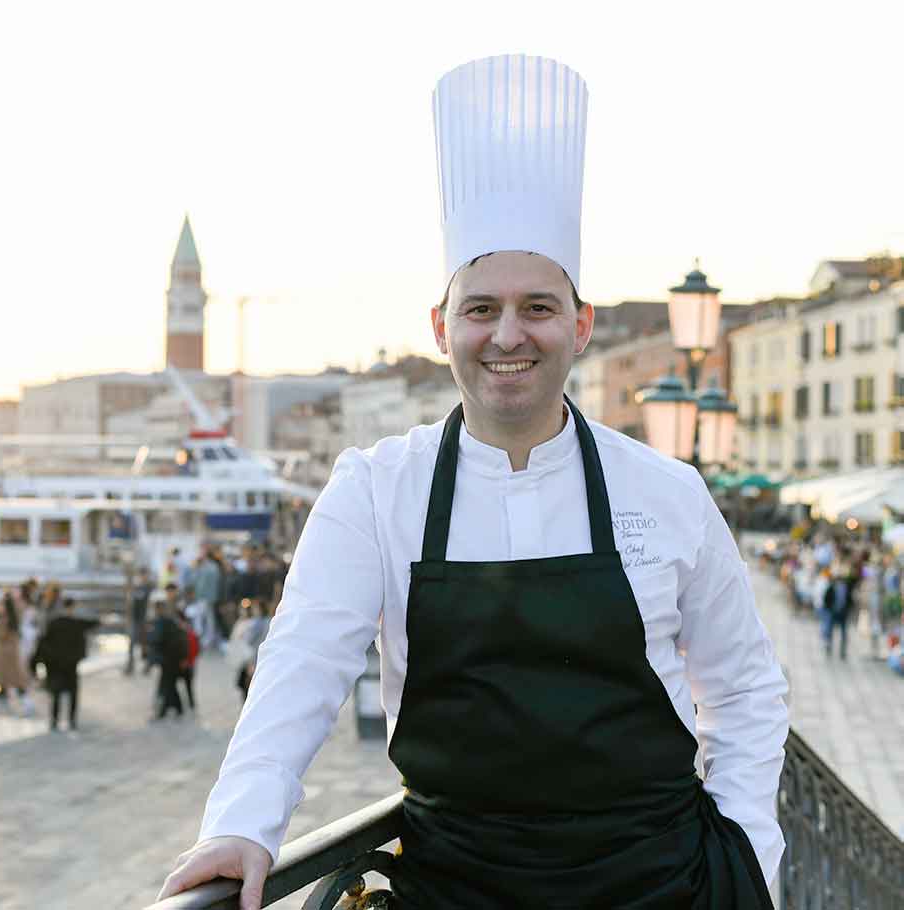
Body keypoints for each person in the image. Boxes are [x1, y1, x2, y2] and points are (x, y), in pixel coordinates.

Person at [159, 55, 788, 910]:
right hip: (458, 889)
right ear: (439, 325)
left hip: (663, 885)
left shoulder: (667, 491)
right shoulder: (374, 490)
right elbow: (302, 664)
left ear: (581, 325)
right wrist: (239, 824)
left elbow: (744, 686)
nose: (507, 335)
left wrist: (748, 850)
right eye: (480, 308)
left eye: (537, 307)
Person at [32, 597, 99, 731]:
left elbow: (44, 642)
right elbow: (95, 622)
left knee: (56, 693)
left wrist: (38, 661)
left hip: (56, 664)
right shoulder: (76, 623)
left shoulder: (54, 622)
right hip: (70, 664)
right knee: (72, 692)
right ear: (73, 607)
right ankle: (72, 720)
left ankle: (55, 720)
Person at [148, 585, 188, 720]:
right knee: (169, 684)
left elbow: (165, 640)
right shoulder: (164, 621)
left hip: (170, 658)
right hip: (169, 658)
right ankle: (176, 708)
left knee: (167, 685)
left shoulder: (168, 621)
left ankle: (164, 711)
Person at [0, 592, 33, 715]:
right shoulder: (15, 617)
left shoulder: (5, 619)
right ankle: (19, 702)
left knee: (5, 678)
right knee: (12, 680)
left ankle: (22, 703)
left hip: (5, 653)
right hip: (12, 652)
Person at [124, 567, 153, 675]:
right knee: (132, 642)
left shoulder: (149, 588)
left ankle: (148, 665)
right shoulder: (136, 588)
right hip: (136, 619)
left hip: (145, 619)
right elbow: (130, 604)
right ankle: (130, 665)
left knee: (146, 644)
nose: (143, 577)